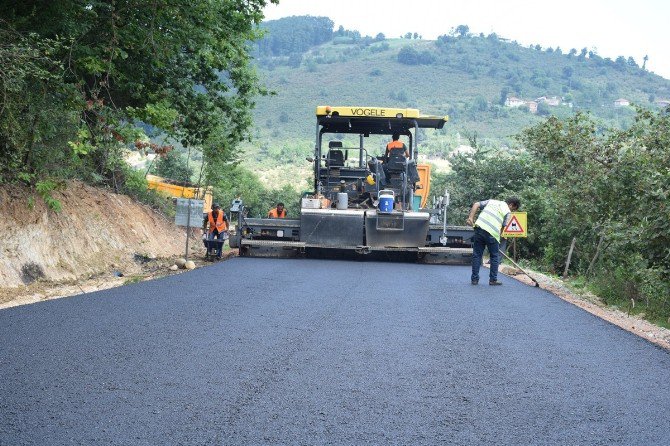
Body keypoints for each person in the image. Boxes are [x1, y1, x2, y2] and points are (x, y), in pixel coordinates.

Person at [466, 197, 520, 286]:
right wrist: (499, 239)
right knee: (494, 257)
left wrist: (471, 218)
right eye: (513, 208)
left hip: (479, 229)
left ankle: (474, 279)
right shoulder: (507, 212)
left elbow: (476, 204)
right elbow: (503, 228)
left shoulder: (492, 201)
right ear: (511, 205)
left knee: (477, 255)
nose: (512, 210)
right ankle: (493, 280)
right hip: (492, 234)